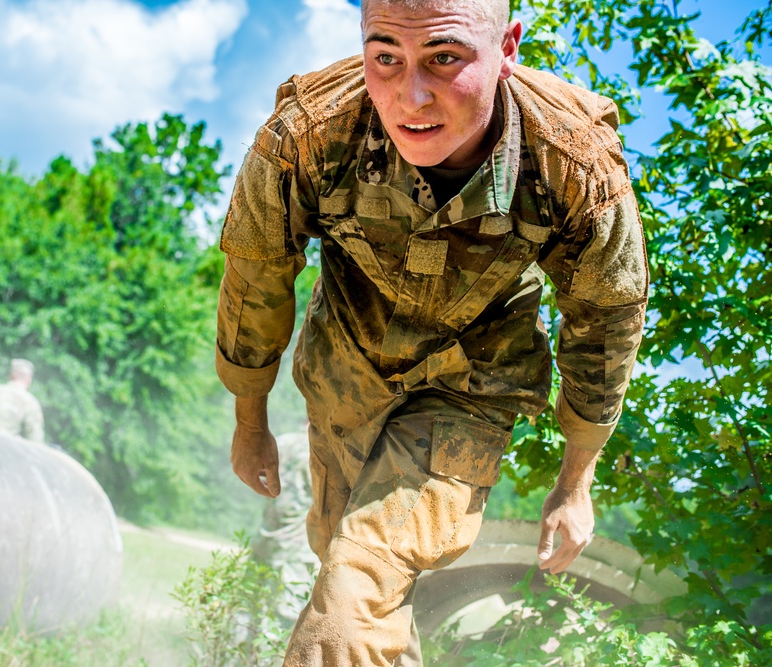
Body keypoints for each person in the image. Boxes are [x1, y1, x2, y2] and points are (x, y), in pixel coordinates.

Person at [214, 0, 649, 664]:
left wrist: (576, 480)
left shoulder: (573, 163)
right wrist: (250, 417)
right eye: (384, 56)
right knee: (349, 571)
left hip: (470, 386)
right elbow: (256, 278)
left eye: (445, 58)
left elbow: (606, 322)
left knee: (351, 597)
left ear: (507, 46)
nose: (410, 95)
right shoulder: (308, 133)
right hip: (347, 371)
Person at [251, 430, 320, 624]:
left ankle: (235, 654)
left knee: (249, 609)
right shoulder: (319, 450)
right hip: (296, 551)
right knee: (284, 620)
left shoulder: (281, 442)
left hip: (265, 540)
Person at [0, 358, 45, 442]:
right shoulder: (30, 403)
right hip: (2, 452)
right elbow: (35, 441)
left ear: (10, 375)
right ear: (29, 380)